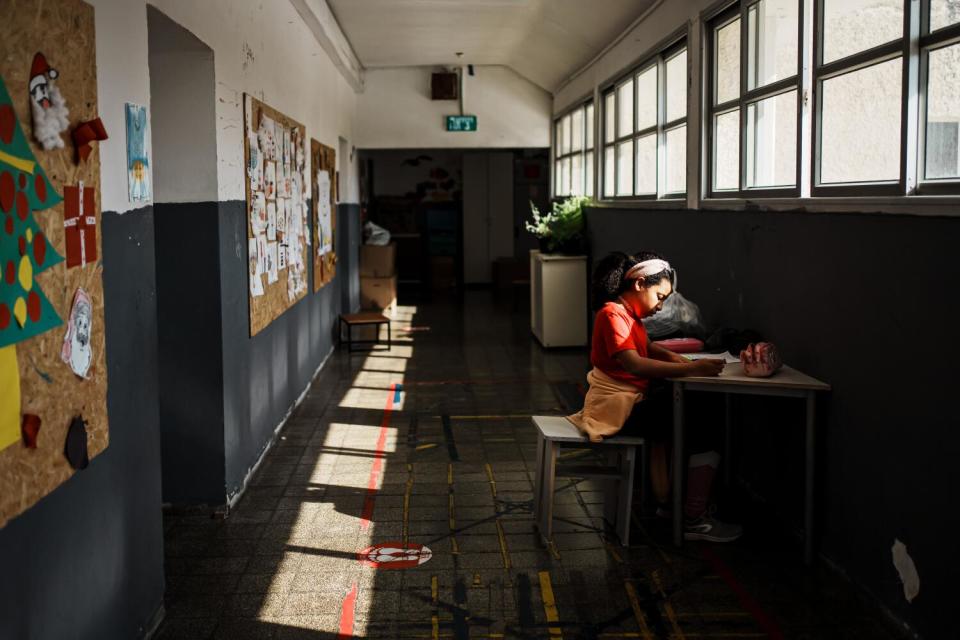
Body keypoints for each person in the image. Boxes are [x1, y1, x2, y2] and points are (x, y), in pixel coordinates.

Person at [569, 250, 742, 543]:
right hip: (618, 411)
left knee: (697, 411)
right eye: (660, 296)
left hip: (628, 404)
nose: (661, 307)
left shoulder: (629, 316)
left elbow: (649, 348)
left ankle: (676, 506)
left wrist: (681, 362)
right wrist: (692, 369)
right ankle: (693, 517)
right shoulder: (612, 314)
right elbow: (634, 363)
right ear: (639, 285)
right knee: (705, 419)